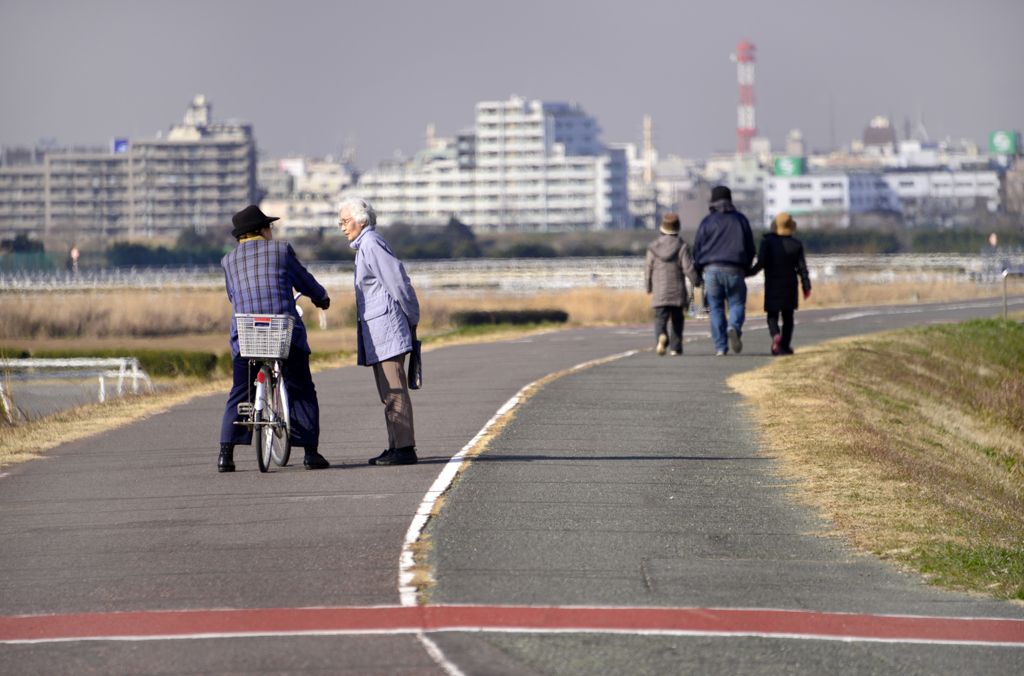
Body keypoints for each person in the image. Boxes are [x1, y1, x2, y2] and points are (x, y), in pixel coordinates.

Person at [217, 205, 332, 472]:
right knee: (301, 388)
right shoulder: (281, 250)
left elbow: (233, 296)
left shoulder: (228, 260)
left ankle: (226, 455)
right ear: (261, 230)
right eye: (269, 227)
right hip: (283, 334)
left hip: (246, 336)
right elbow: (304, 281)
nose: (272, 231)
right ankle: (311, 454)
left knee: (240, 391)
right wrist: (321, 298)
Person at [338, 197, 421, 466]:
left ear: (361, 220)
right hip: (379, 331)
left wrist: (412, 316)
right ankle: (395, 445)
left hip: (388, 329)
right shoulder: (366, 245)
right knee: (388, 392)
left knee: (394, 389)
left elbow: (398, 280)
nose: (342, 227)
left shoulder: (372, 244)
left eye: (345, 221)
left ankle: (405, 449)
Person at [693, 185, 756, 356]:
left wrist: (698, 271)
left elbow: (697, 249)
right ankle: (734, 327)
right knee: (736, 304)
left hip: (711, 270)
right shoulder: (741, 219)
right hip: (736, 269)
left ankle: (721, 347)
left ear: (712, 202)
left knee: (716, 308)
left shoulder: (707, 221)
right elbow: (750, 248)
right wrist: (747, 267)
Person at [747, 212, 811, 355]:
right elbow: (802, 268)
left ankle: (775, 335)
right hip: (790, 286)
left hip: (772, 284)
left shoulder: (767, 242)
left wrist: (748, 272)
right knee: (788, 317)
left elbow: (761, 263)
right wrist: (806, 286)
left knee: (772, 315)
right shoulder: (796, 245)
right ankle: (785, 346)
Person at [645, 213, 701, 356]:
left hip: (659, 290)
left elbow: (648, 270)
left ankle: (661, 337)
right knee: (677, 319)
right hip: (677, 290)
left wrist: (648, 287)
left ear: (662, 228)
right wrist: (696, 281)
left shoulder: (653, 248)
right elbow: (688, 267)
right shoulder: (682, 246)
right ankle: (676, 348)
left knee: (660, 318)